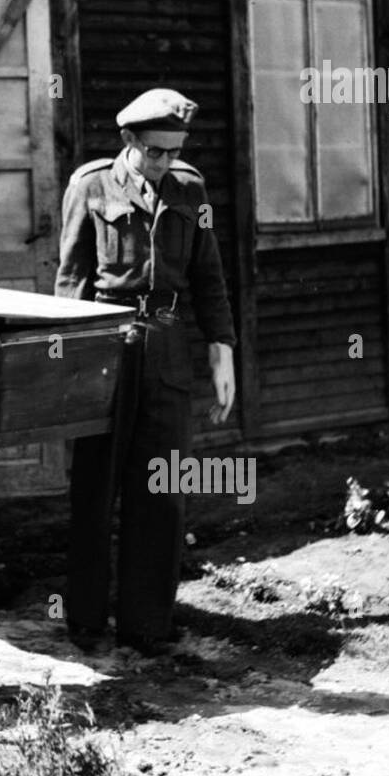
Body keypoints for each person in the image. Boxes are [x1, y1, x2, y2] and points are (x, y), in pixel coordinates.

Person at [54, 87, 237, 655]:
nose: (164, 163)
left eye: (173, 151)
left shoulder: (190, 188)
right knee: (95, 486)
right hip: (107, 348)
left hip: (167, 350)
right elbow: (72, 280)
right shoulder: (90, 186)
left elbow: (208, 274)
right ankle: (84, 619)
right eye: (154, 152)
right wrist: (68, 365)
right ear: (129, 141)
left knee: (161, 488)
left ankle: (148, 622)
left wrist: (222, 348)